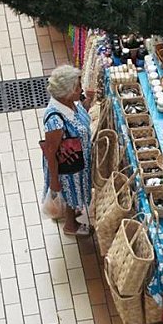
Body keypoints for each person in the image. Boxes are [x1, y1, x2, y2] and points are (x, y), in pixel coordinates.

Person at [42, 65, 94, 236]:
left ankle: (70, 210)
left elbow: (79, 122)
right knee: (70, 192)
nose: (81, 89)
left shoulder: (70, 104)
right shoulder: (55, 120)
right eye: (77, 87)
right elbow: (51, 151)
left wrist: (88, 101)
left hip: (77, 161)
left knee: (73, 194)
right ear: (67, 92)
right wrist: (54, 181)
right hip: (68, 168)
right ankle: (70, 225)